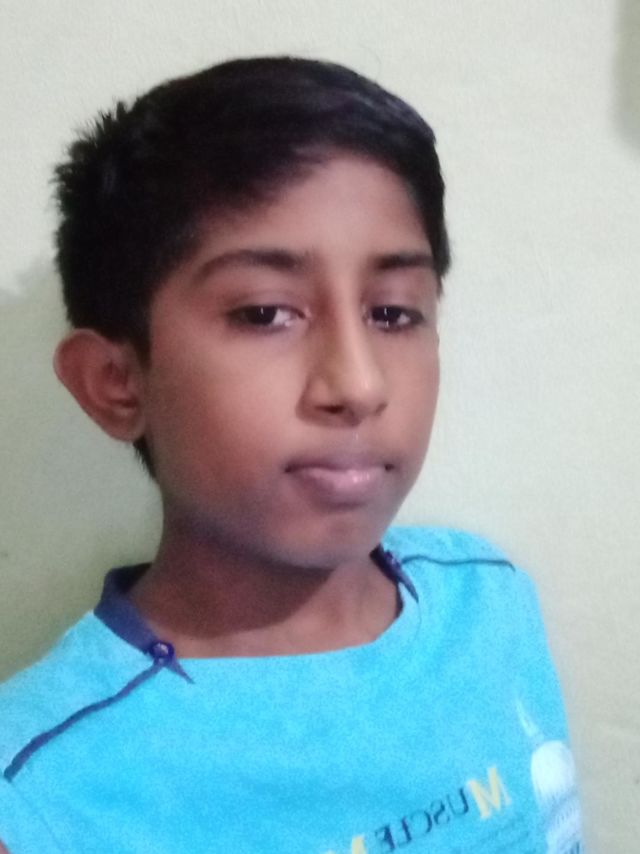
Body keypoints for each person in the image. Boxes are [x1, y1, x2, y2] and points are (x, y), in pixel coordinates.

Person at [0, 57, 583, 853]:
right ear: (117, 382)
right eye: (265, 313)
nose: (359, 385)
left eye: (393, 313)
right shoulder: (41, 802)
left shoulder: (488, 599)